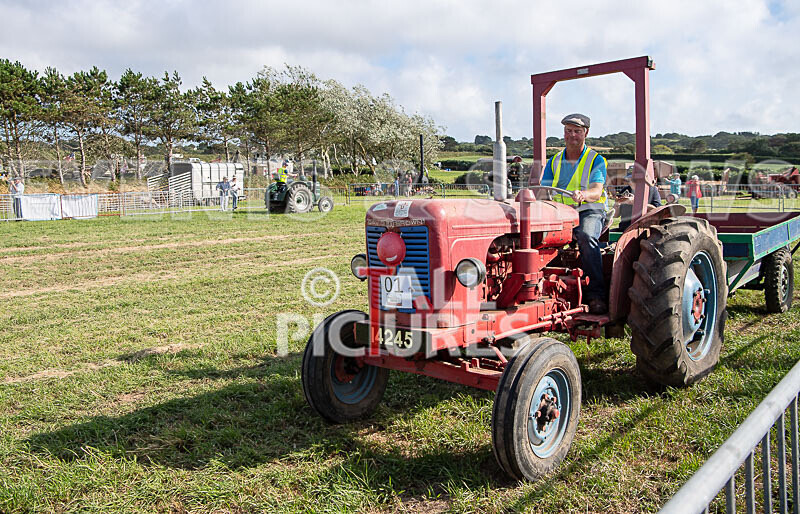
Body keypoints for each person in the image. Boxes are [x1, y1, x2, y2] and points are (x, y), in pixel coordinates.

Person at [541, 113, 608, 314]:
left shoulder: (596, 160)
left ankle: (596, 295)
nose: (572, 135)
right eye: (568, 131)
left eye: (577, 131)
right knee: (536, 236)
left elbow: (596, 191)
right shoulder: (554, 161)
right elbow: (543, 190)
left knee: (586, 236)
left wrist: (584, 194)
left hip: (589, 209)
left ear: (586, 133)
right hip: (561, 212)